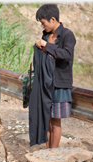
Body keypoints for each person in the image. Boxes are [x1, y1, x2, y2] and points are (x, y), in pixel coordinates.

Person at [34, 4, 76, 148]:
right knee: (46, 121)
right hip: (45, 83)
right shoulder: (45, 36)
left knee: (55, 122)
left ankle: (53, 153)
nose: (42, 26)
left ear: (52, 19)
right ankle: (48, 152)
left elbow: (67, 55)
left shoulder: (67, 34)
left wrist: (47, 46)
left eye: (43, 23)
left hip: (59, 84)